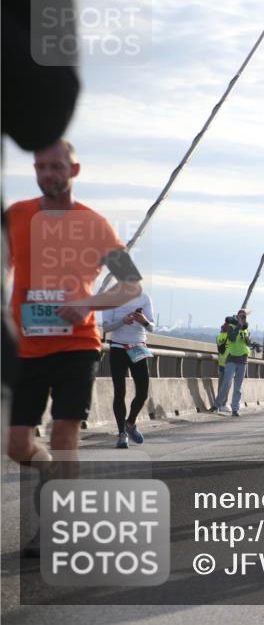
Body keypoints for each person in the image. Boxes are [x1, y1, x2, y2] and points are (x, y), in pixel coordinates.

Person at [6, 140, 143, 555]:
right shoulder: (16, 216)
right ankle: (53, 473)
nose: (49, 173)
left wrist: (84, 302)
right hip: (24, 348)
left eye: (57, 166)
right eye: (41, 166)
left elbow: (130, 284)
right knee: (16, 446)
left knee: (64, 433)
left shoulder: (96, 225)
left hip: (78, 345)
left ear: (74, 170)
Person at [102, 291, 155, 449]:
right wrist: (123, 321)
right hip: (118, 348)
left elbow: (152, 327)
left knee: (143, 392)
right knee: (120, 392)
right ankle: (122, 433)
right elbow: (105, 327)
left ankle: (130, 423)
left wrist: (143, 321)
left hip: (138, 347)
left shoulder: (145, 297)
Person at [212, 309, 253, 416]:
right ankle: (216, 405)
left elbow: (248, 343)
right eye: (241, 316)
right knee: (226, 383)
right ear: (237, 317)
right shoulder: (232, 326)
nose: (243, 319)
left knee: (238, 387)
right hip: (231, 359)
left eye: (244, 317)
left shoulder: (246, 329)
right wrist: (239, 325)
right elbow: (232, 338)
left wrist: (249, 340)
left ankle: (235, 409)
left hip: (243, 360)